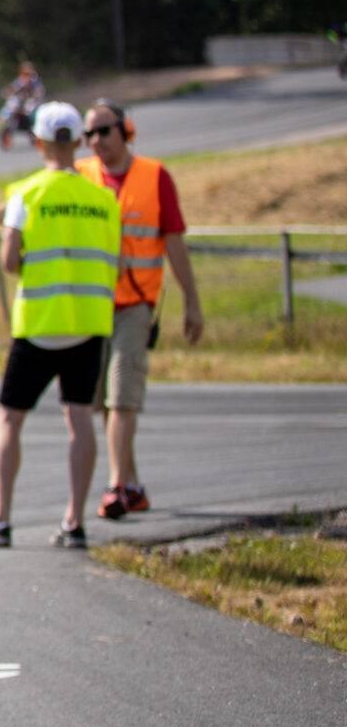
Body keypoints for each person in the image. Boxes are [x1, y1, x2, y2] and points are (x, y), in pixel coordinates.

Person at [0, 102, 120, 550]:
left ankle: (1, 522)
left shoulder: (26, 192)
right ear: (79, 142)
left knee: (10, 419)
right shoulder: (103, 199)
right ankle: (74, 523)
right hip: (89, 323)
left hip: (39, 324)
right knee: (79, 419)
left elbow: (9, 261)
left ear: (37, 142)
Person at [76, 99, 206, 519]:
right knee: (101, 404)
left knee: (122, 397)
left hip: (135, 306)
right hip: (90, 306)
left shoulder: (154, 176)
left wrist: (191, 301)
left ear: (125, 130)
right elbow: (32, 203)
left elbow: (174, 243)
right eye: (89, 134)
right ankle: (133, 484)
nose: (97, 141)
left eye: (105, 131)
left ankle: (116, 487)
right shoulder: (80, 176)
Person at [0, 61, 45, 151]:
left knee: (30, 110)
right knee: (11, 106)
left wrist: (32, 93)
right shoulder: (20, 80)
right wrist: (6, 92)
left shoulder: (35, 81)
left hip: (31, 102)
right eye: (24, 73)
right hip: (21, 102)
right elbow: (13, 88)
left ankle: (33, 130)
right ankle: (9, 124)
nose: (26, 76)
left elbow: (39, 92)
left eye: (28, 73)